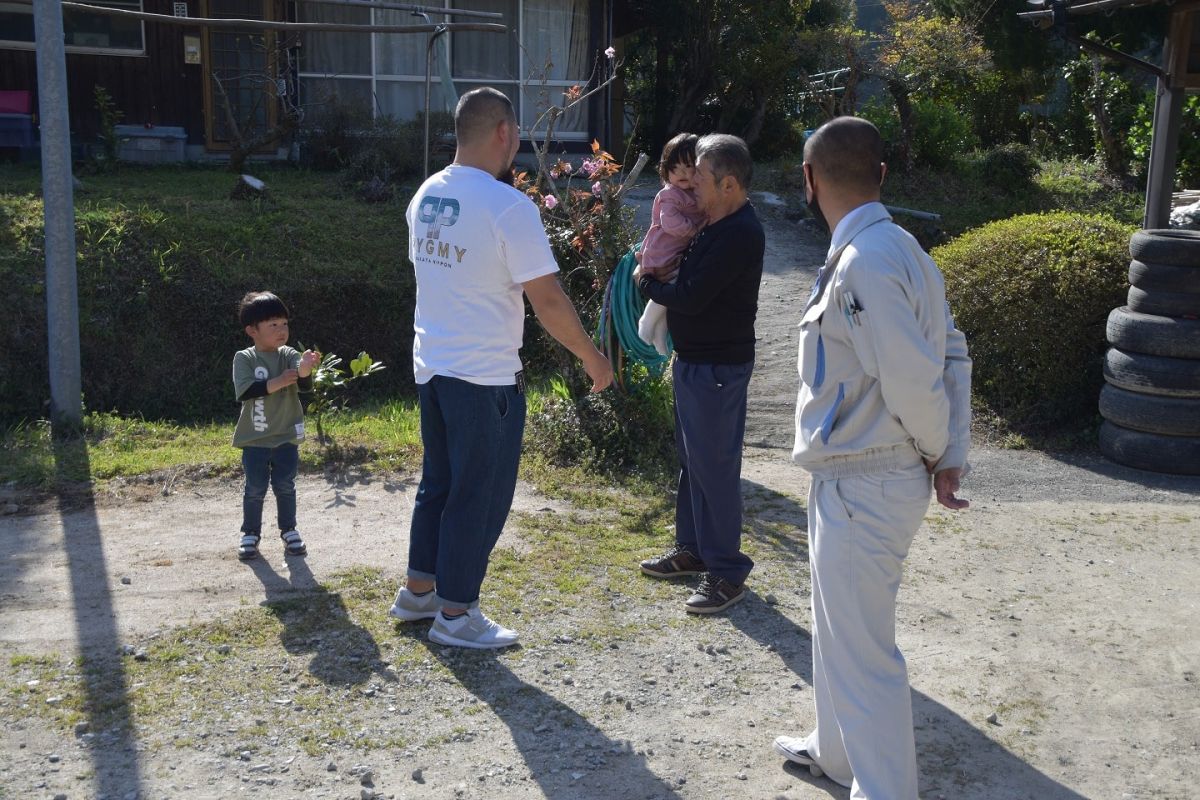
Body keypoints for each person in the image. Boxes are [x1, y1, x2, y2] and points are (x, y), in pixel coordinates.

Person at [773, 116, 972, 800]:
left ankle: (885, 790)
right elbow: (951, 352)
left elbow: (914, 377)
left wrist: (940, 450)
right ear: (881, 174)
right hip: (859, 471)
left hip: (870, 472)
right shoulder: (903, 248)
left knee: (863, 651)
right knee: (837, 630)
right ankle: (835, 753)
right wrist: (951, 454)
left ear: (809, 180)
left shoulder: (862, 260)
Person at [388, 87, 613, 649]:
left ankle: (420, 592)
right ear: (505, 133)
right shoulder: (507, 206)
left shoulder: (425, 195)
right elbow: (550, 300)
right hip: (485, 375)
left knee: (439, 484)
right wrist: (591, 356)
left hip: (433, 367)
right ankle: (457, 614)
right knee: (478, 494)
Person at [635, 133, 765, 615]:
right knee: (692, 461)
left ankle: (727, 571)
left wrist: (647, 283)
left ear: (729, 185)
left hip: (717, 366)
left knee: (715, 468)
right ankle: (692, 549)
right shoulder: (713, 223)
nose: (693, 188)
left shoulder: (740, 233)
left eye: (703, 179)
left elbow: (689, 294)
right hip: (695, 360)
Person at [231, 291, 320, 561]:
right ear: (252, 330)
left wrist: (305, 367)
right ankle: (250, 534)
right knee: (255, 487)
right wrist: (280, 381)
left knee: (285, 484)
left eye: (284, 324)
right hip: (255, 438)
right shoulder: (244, 358)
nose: (282, 330)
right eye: (273, 325)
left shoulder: (289, 354)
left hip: (285, 436)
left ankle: (289, 530)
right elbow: (246, 391)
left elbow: (304, 384)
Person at [636, 133, 706, 356]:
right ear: (666, 171)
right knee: (673, 286)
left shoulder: (693, 193)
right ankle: (646, 323)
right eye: (676, 169)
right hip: (662, 251)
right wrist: (693, 229)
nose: (684, 174)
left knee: (670, 303)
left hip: (674, 250)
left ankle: (659, 334)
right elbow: (669, 221)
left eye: (689, 167)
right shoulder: (670, 194)